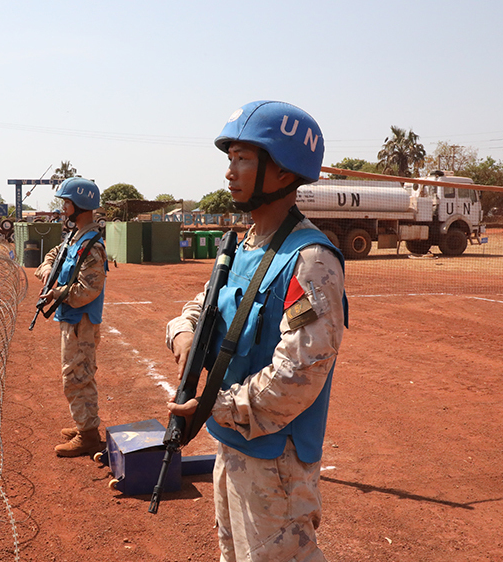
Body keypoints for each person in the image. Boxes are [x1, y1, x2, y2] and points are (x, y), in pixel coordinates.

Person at [165, 101, 348, 562]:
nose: (231, 172)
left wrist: (212, 406)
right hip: (232, 445)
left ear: (284, 173)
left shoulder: (308, 261)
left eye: (244, 159)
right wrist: (183, 333)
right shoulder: (242, 245)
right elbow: (201, 305)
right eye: (230, 159)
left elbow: (299, 375)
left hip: (275, 462)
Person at [33, 177, 109, 457]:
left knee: (77, 376)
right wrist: (46, 268)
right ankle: (83, 424)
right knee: (77, 374)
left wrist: (56, 293)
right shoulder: (75, 237)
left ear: (79, 205)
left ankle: (88, 434)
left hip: (82, 322)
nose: (63, 208)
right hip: (72, 319)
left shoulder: (93, 246)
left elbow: (88, 290)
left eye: (66, 203)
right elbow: (56, 253)